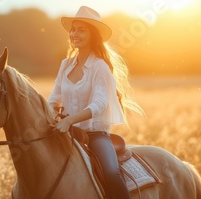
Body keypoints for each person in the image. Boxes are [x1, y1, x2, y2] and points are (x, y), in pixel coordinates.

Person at [48, 5, 143, 199]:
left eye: (81, 29)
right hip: (66, 134)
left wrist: (68, 120)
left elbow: (99, 103)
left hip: (95, 136)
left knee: (111, 173)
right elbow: (54, 97)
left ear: (93, 35)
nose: (75, 33)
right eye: (73, 29)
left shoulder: (100, 66)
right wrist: (53, 113)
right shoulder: (65, 65)